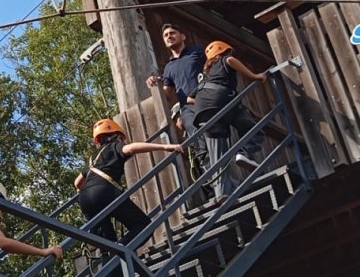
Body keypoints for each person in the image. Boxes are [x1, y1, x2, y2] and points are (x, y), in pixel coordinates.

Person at [74, 119, 183, 247]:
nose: (123, 141)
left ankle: (112, 257)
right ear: (116, 136)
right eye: (122, 138)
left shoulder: (93, 158)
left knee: (107, 244)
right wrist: (165, 147)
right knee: (143, 225)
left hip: (85, 199)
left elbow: (77, 183)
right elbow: (131, 148)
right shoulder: (114, 146)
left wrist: (91, 190)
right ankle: (122, 247)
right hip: (105, 191)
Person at [192, 41, 267, 199]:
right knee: (253, 128)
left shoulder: (206, 75)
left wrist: (207, 102)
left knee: (217, 153)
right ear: (224, 51)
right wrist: (255, 76)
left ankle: (223, 192)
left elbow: (188, 99)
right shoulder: (224, 59)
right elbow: (231, 61)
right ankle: (244, 153)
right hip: (221, 99)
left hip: (202, 110)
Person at [144, 23, 207, 178]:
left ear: (182, 36)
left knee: (213, 134)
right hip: (187, 108)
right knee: (199, 143)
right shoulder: (169, 68)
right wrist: (155, 83)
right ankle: (213, 181)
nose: (169, 37)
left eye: (172, 33)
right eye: (166, 36)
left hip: (206, 99)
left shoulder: (198, 51)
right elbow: (167, 95)